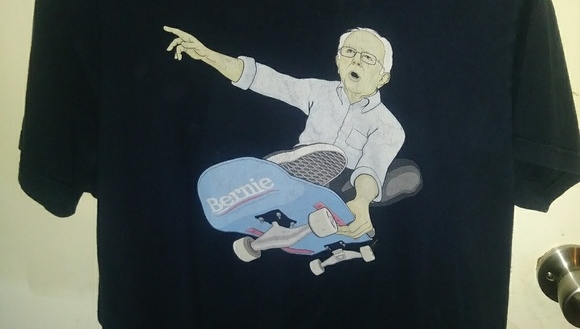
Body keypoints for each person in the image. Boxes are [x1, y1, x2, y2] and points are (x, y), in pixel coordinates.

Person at [164, 25, 421, 238]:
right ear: (338, 61)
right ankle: (286, 177)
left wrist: (362, 201)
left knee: (408, 174)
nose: (356, 60)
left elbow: (372, 165)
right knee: (315, 163)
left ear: (383, 77)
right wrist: (207, 55)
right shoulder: (318, 91)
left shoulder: (389, 126)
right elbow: (267, 80)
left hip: (349, 182)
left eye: (367, 58)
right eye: (350, 52)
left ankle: (315, 195)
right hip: (306, 161)